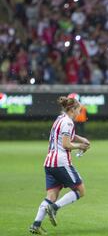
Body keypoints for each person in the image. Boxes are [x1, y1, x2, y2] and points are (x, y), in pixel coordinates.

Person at [29, 96, 90, 234]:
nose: (79, 113)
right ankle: (54, 208)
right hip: (61, 162)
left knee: (51, 195)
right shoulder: (68, 123)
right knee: (80, 191)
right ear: (72, 109)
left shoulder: (60, 119)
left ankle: (36, 224)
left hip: (49, 163)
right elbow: (66, 144)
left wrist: (81, 139)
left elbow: (67, 136)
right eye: (78, 110)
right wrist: (81, 146)